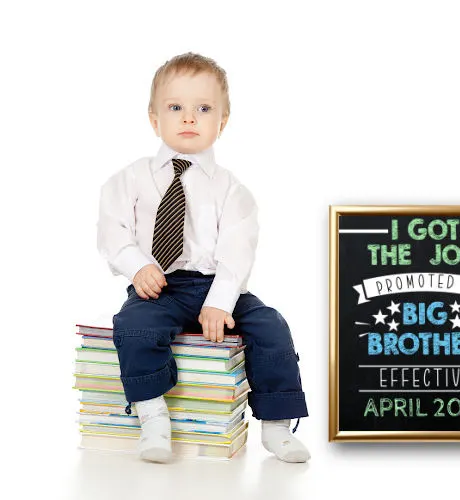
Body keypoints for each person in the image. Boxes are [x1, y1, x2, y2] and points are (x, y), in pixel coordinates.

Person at [96, 52, 310, 464]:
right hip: (161, 284)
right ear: (155, 120)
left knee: (271, 325)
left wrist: (220, 300)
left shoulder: (232, 190)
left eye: (203, 108)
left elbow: (238, 247)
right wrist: (137, 265)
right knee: (134, 325)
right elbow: (112, 230)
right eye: (176, 107)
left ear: (222, 122)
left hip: (217, 285)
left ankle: (278, 426)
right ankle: (153, 415)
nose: (189, 118)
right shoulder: (129, 180)